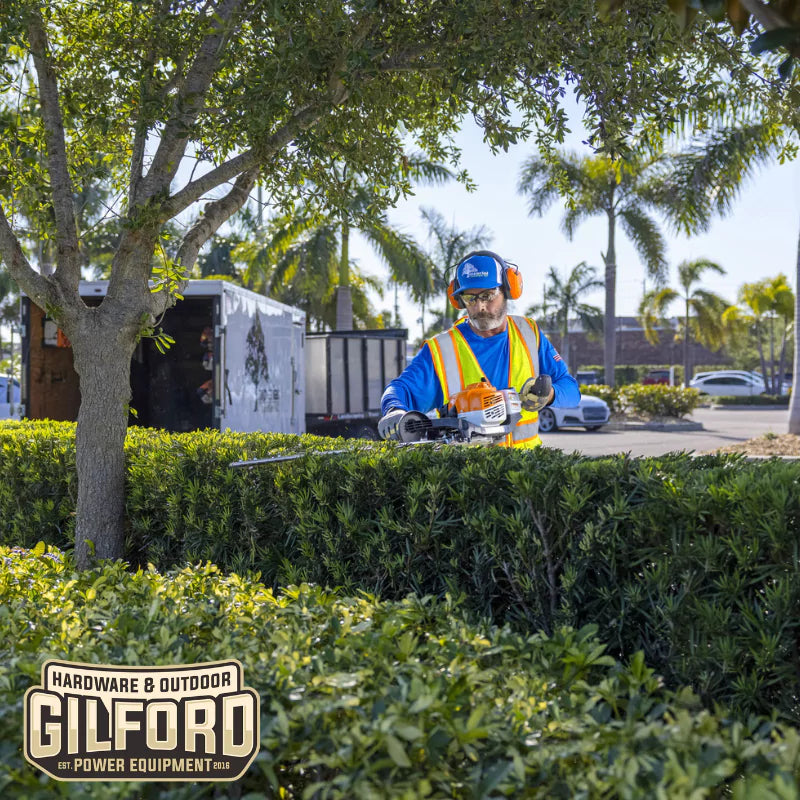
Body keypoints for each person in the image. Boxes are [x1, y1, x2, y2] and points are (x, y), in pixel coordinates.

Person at [379, 250, 580, 448]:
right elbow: (400, 389)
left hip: (527, 474)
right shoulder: (441, 350)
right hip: (471, 476)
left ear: (508, 290)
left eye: (488, 295)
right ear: (459, 300)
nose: (480, 307)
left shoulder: (529, 333)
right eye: (470, 298)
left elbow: (571, 389)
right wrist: (394, 409)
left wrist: (550, 395)